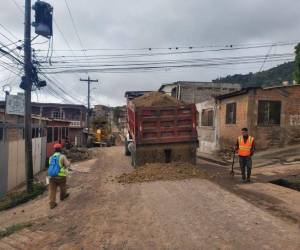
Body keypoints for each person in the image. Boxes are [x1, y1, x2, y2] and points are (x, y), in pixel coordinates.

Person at [48, 143, 71, 209]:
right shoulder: (62, 156)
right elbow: (67, 165)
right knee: (63, 186)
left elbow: (51, 165)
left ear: (54, 150)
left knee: (52, 190)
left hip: (51, 176)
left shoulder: (51, 157)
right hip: (61, 176)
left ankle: (52, 204)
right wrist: (69, 162)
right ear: (60, 149)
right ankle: (62, 196)